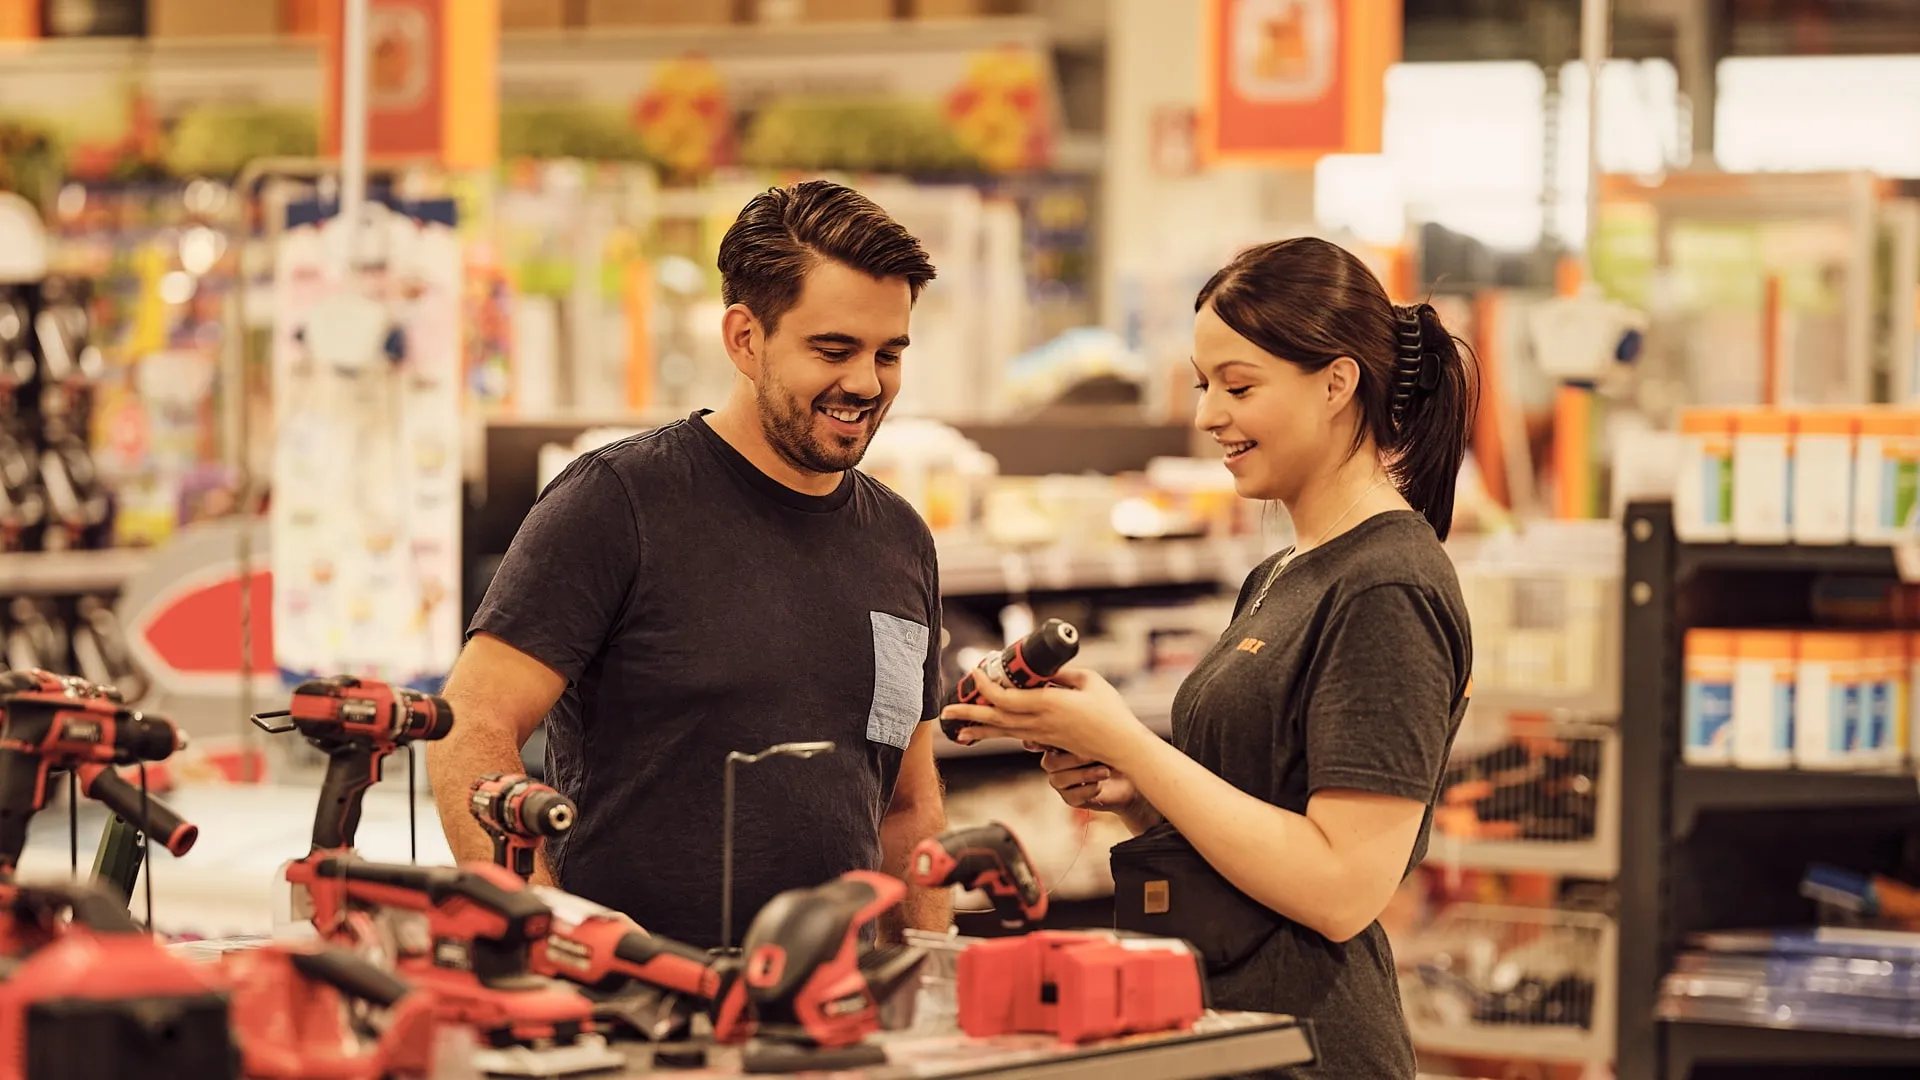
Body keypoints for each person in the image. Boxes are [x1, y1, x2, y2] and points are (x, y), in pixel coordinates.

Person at [941, 236, 1475, 1078]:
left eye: (1239, 385)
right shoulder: (1282, 572)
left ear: (1337, 384)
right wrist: (1135, 796)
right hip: (1225, 1026)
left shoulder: (1386, 586)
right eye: (1202, 383)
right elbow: (1258, 825)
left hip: (1312, 1043)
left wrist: (1132, 745)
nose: (1206, 414)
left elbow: (1341, 889)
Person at [428, 179, 951, 950]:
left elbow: (908, 806)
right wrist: (552, 939)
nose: (867, 384)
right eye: (834, 350)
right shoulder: (618, 503)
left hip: (836, 1009)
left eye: (890, 354)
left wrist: (933, 975)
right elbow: (468, 729)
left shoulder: (901, 539)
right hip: (640, 1011)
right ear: (745, 338)